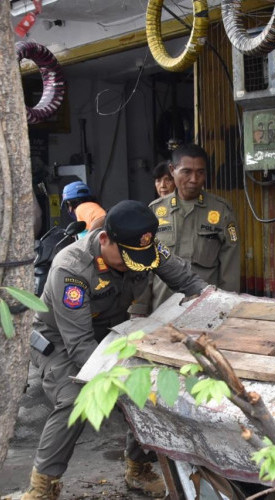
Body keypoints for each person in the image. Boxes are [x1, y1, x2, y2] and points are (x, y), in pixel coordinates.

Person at [23, 200, 208, 500]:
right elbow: (80, 345)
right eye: (125, 260)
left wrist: (217, 307)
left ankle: (137, 467)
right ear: (105, 239)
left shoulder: (141, 249)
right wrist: (118, 381)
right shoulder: (71, 269)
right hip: (60, 340)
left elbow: (190, 283)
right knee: (76, 397)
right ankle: (43, 486)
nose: (133, 266)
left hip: (114, 333)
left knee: (149, 388)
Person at [134, 143, 240, 314]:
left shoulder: (221, 211)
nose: (194, 179)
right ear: (172, 170)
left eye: (200, 172)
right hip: (162, 308)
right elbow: (143, 268)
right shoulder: (154, 211)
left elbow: (230, 269)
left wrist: (227, 307)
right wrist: (139, 308)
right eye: (187, 172)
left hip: (205, 309)